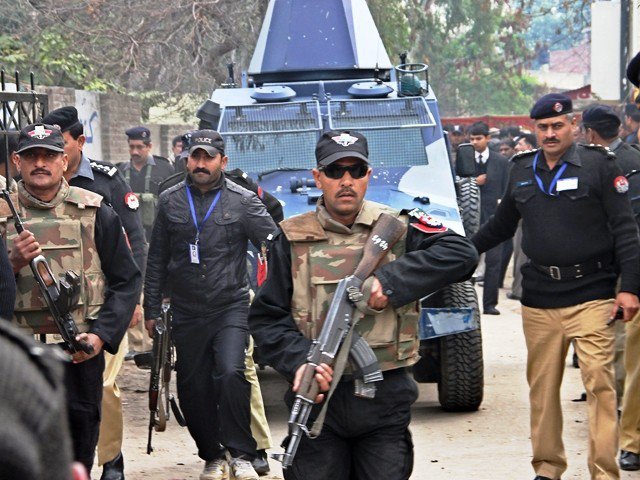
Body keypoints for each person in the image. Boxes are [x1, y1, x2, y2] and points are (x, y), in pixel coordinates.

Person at [248, 130, 478, 480]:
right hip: (317, 399)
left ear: (368, 176)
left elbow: (462, 254)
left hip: (384, 401)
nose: (346, 181)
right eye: (335, 171)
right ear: (317, 177)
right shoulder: (290, 238)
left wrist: (391, 281)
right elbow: (266, 318)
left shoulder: (398, 225)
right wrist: (298, 360)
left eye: (356, 171)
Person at [471, 93, 640, 480]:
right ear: (535, 129)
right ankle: (547, 468)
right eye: (543, 127)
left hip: (592, 294)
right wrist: (462, 254)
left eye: (557, 126)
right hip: (539, 299)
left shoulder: (599, 165)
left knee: (600, 384)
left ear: (574, 125)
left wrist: (629, 287)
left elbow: (625, 231)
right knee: (542, 391)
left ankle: (603, 472)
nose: (550, 133)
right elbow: (499, 227)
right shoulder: (521, 170)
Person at [5, 123, 141, 475]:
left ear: (64, 161)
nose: (40, 163)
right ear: (16, 162)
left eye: (48, 156)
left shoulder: (95, 212)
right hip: (15, 361)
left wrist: (100, 337)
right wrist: (10, 263)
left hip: (77, 355)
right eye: (31, 156)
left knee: (78, 450)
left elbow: (126, 281)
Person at [144, 129, 276, 480]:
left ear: (223, 161)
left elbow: (275, 245)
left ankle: (243, 453)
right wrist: (151, 309)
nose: (201, 164)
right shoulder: (170, 200)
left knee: (232, 372)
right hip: (186, 310)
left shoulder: (242, 200)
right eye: (195, 157)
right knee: (193, 383)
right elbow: (156, 258)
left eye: (208, 158)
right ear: (187, 159)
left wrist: (272, 299)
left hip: (230, 305)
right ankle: (213, 454)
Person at [42, 106, 147, 480]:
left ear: (79, 141)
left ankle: (111, 459)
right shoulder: (24, 198)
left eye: (60, 144)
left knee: (103, 384)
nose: (52, 154)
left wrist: (132, 301)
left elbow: (133, 239)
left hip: (101, 307)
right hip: (48, 314)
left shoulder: (106, 182)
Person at [469, 121, 509, 315]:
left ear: (487, 138)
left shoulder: (501, 162)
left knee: (494, 261)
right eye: (472, 139)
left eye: (479, 138)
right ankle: (466, 303)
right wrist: (473, 182)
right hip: (470, 217)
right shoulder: (464, 160)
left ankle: (490, 304)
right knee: (466, 260)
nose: (475, 142)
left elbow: (507, 188)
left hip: (494, 218)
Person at [117, 126, 174, 240]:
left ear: (149, 146)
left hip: (157, 234)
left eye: (139, 147)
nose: (135, 151)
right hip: (129, 235)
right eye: (131, 147)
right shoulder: (120, 171)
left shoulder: (165, 168)